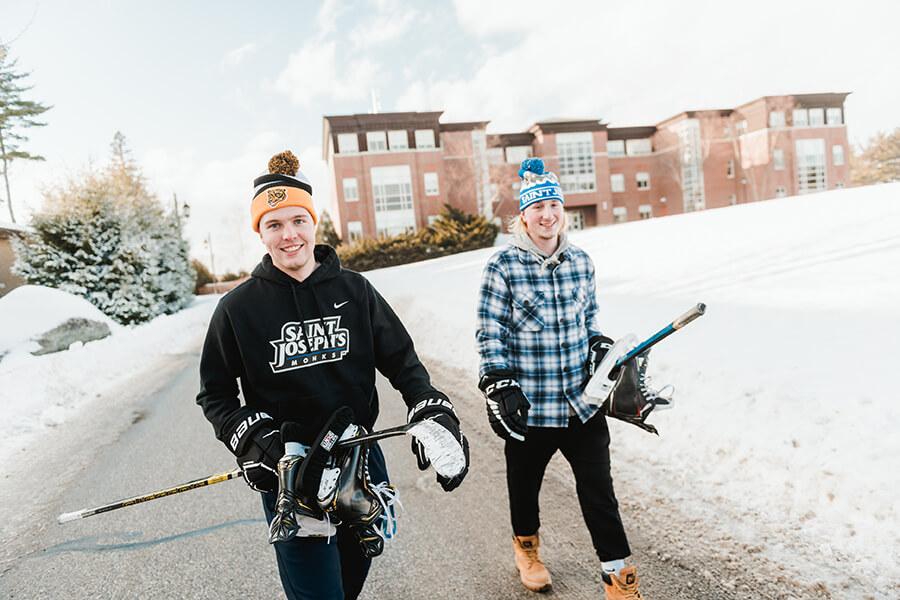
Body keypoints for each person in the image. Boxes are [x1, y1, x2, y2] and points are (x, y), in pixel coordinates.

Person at [197, 150, 469, 600]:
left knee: (348, 584)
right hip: (290, 470)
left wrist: (429, 404)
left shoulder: (356, 290)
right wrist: (248, 438)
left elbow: (403, 361)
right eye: (274, 225)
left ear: (313, 222)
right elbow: (216, 395)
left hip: (360, 459)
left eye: (297, 221)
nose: (289, 236)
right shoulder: (237, 309)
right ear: (260, 233)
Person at [475, 158, 648, 599]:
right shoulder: (503, 267)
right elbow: (489, 331)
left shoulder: (581, 262)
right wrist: (498, 381)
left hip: (581, 403)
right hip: (529, 406)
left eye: (553, 204)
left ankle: (618, 576)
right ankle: (527, 551)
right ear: (524, 215)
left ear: (561, 209)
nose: (547, 214)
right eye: (537, 208)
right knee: (525, 488)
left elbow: (588, 319)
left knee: (599, 493)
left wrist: (597, 346)